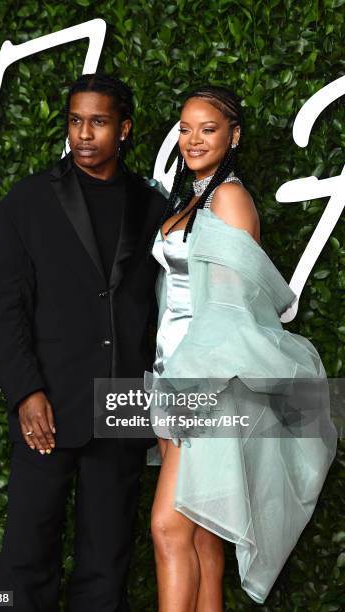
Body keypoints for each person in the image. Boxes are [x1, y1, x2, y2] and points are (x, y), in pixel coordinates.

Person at [0, 72, 166, 612]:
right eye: (76, 121)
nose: (84, 134)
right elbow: (0, 308)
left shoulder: (151, 208)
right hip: (48, 404)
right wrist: (24, 391)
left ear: (124, 129)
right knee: (26, 557)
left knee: (106, 562)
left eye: (99, 122)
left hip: (123, 404)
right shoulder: (27, 202)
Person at [146, 86, 338, 610]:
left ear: (234, 136)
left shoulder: (229, 198)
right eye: (185, 129)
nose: (192, 140)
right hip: (168, 376)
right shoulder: (193, 196)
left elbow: (232, 315)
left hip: (202, 382)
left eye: (207, 129)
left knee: (168, 529)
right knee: (203, 535)